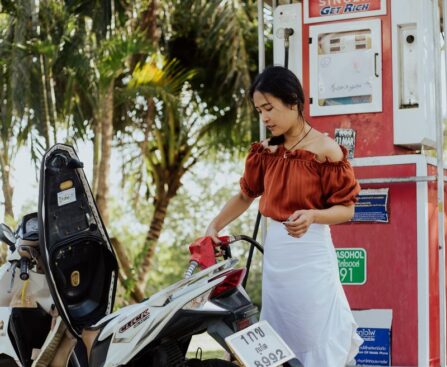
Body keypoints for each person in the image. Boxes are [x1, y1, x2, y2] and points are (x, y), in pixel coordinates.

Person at [205, 66, 363, 367]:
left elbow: (347, 209)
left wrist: (313, 216)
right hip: (277, 258)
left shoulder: (325, 150)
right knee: (279, 339)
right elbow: (245, 195)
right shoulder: (265, 152)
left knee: (317, 334)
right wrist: (214, 225)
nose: (264, 118)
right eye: (258, 110)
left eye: (269, 108)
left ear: (293, 102)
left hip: (312, 258)